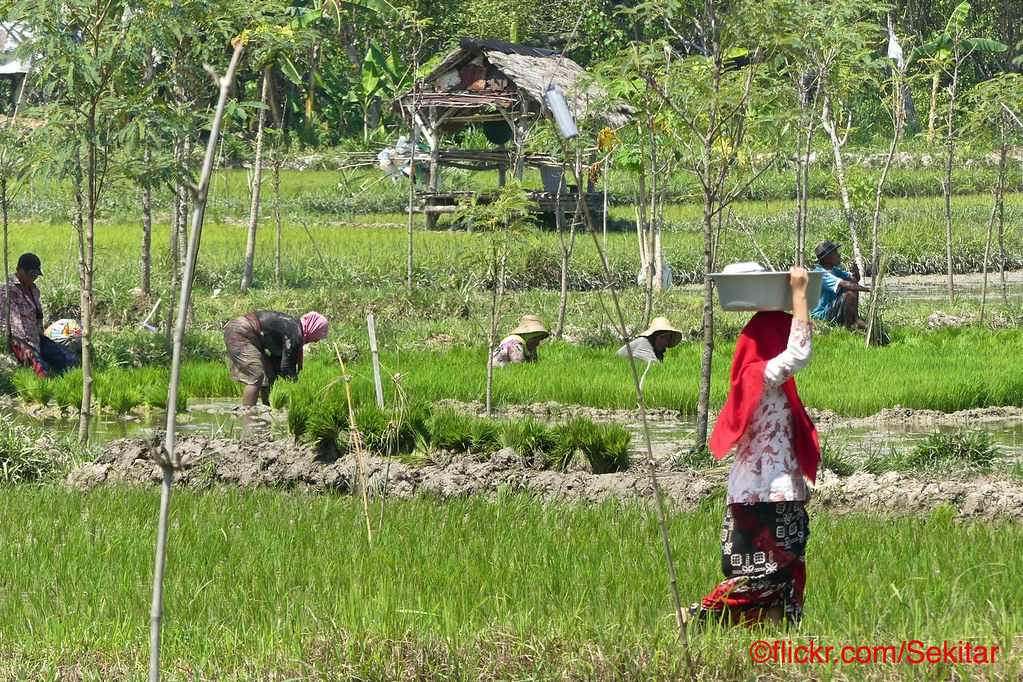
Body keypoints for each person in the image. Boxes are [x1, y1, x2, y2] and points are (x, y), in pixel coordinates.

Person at [692, 267, 820, 629]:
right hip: (763, 496)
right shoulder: (759, 376)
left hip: (777, 491)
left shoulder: (769, 382)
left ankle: (776, 647)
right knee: (764, 577)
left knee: (790, 575)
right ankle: (697, 615)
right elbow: (798, 353)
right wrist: (799, 294)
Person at [224, 310, 328, 407]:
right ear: (314, 329)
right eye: (319, 336)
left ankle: (269, 407)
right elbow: (287, 367)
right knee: (257, 375)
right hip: (240, 332)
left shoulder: (295, 330)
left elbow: (278, 364)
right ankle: (248, 413)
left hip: (250, 334)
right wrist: (300, 390)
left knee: (270, 374)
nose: (317, 341)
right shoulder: (295, 334)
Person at [0, 252, 80, 377]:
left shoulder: (34, 289)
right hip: (18, 339)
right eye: (29, 274)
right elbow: (14, 320)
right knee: (42, 371)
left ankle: (68, 383)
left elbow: (38, 316)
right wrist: (23, 345)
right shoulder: (8, 289)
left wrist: (42, 337)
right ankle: (43, 390)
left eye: (35, 275)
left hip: (36, 337)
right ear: (18, 270)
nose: (32, 278)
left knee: (71, 360)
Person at [811, 239, 871, 330]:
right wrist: (869, 290)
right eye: (835, 252)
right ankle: (848, 326)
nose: (838, 255)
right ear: (827, 258)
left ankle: (855, 318)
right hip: (822, 313)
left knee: (852, 286)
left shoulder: (834, 271)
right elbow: (845, 284)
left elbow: (854, 280)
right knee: (850, 294)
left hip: (832, 307)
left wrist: (855, 272)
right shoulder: (819, 274)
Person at [615, 316, 683, 362]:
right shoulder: (644, 343)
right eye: (662, 337)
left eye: (667, 340)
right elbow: (653, 365)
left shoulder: (656, 351)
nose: (665, 342)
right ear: (654, 336)